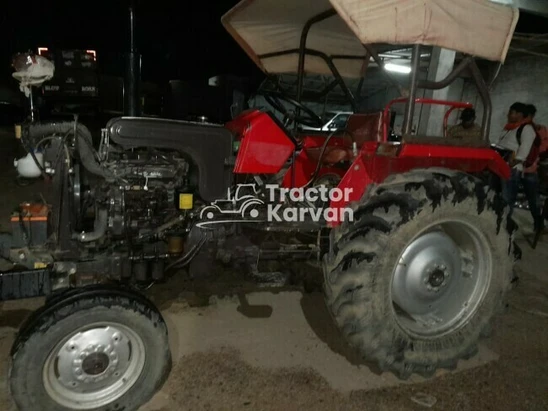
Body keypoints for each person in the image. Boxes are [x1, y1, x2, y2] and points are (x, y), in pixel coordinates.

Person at [494, 102, 543, 232]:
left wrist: (511, 163)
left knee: (509, 198)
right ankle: (499, 220)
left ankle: (505, 225)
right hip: (501, 166)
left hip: (513, 169)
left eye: (512, 112)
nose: (509, 114)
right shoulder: (509, 128)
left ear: (520, 115)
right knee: (500, 196)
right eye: (510, 112)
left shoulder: (527, 129)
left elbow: (523, 152)